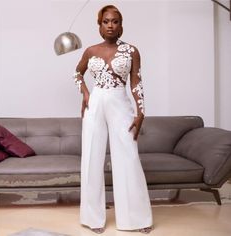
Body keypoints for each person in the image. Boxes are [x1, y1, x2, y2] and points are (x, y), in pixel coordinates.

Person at [73, 5, 153, 234]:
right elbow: (77, 72)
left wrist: (141, 112)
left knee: (128, 157)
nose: (110, 25)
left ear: (121, 25)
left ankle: (136, 219)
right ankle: (92, 218)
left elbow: (136, 82)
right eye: (106, 21)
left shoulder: (131, 51)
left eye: (115, 21)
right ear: (99, 25)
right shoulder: (90, 51)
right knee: (91, 157)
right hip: (95, 103)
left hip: (120, 102)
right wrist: (86, 94)